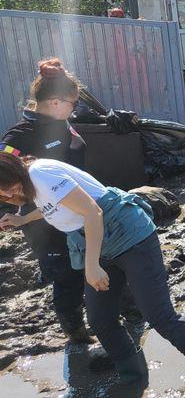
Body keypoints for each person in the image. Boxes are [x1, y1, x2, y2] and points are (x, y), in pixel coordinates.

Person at [0, 153, 185, 395]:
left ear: (13, 171)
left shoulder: (40, 173)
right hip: (100, 242)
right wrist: (23, 220)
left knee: (159, 316)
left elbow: (92, 212)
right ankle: (133, 377)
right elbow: (52, 206)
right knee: (100, 318)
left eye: (7, 188)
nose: (8, 195)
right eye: (3, 194)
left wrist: (92, 265)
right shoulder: (31, 184)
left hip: (130, 236)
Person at [1, 59, 93, 343]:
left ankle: (110, 312)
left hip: (78, 210)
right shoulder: (19, 139)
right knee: (67, 278)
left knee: (97, 260)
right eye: (72, 104)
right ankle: (75, 333)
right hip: (45, 222)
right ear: (54, 102)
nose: (74, 110)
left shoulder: (62, 123)